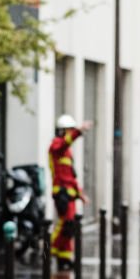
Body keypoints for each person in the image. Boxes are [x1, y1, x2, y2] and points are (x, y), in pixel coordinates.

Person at [48, 114, 92, 270]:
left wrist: (81, 194)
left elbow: (71, 177)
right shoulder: (56, 147)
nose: (70, 133)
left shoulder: (67, 153)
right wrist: (79, 131)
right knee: (64, 223)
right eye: (69, 130)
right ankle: (49, 250)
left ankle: (64, 258)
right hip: (61, 192)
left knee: (70, 227)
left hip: (70, 194)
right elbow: (64, 143)